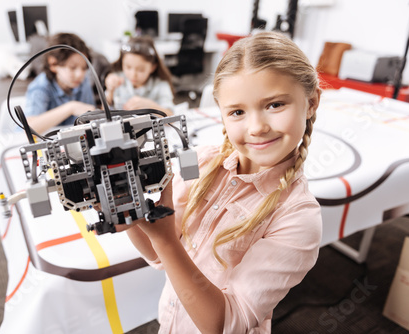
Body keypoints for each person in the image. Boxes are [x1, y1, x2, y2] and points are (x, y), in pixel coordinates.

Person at [122, 31, 323, 333]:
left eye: (275, 105)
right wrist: (128, 212)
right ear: (222, 115)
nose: (256, 127)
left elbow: (226, 323)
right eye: (238, 112)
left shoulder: (299, 217)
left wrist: (163, 239)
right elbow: (159, 255)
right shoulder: (203, 162)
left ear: (311, 102)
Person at [24, 33, 96, 134]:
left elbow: (92, 116)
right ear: (53, 64)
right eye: (72, 68)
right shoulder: (40, 87)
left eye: (84, 68)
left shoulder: (83, 83)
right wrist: (71, 107)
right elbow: (28, 129)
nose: (80, 74)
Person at [105, 36, 175, 116]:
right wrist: (110, 91)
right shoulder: (118, 79)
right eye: (128, 67)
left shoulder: (160, 85)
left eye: (140, 70)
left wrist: (150, 106)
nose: (133, 75)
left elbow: (171, 115)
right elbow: (103, 113)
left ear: (153, 67)